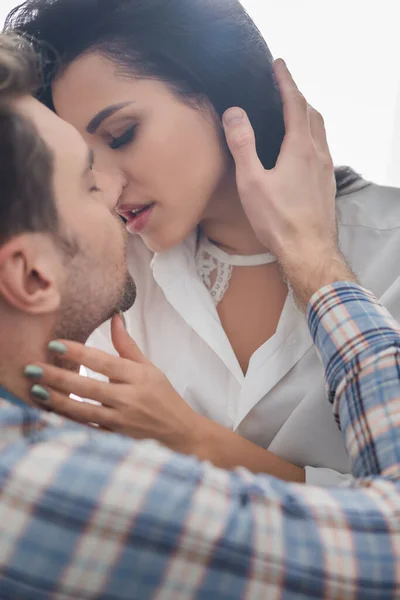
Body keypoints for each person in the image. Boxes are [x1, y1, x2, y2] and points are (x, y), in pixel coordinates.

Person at [0, 31, 399, 600]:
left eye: (123, 135)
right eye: (86, 177)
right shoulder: (103, 275)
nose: (109, 189)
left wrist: (194, 440)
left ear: (220, 96)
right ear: (30, 275)